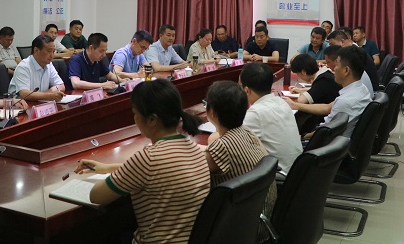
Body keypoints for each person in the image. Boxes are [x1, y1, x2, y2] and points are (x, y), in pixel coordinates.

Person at [74, 79, 209, 244]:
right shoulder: (195, 149)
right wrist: (108, 168)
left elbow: (96, 196)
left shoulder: (148, 158)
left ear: (152, 120)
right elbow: (157, 170)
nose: (134, 119)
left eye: (135, 113)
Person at [204, 80, 276, 243]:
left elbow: (192, 166)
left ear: (212, 112)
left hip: (242, 227)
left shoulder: (222, 148)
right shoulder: (247, 132)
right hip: (262, 218)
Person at [283, 46, 371, 138]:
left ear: (346, 70)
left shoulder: (344, 101)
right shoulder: (361, 89)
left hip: (330, 144)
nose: (333, 69)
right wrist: (295, 105)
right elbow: (328, 107)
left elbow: (324, 132)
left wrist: (302, 137)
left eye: (337, 65)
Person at [239, 63, 302, 173]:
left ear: (247, 90)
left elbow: (232, 140)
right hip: (296, 170)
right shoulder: (281, 102)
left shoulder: (256, 113)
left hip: (278, 175)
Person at [289, 52, 342, 134]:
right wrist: (300, 90)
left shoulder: (323, 79)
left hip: (325, 124)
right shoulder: (325, 74)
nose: (298, 77)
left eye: (298, 74)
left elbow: (301, 100)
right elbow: (318, 90)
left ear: (303, 72)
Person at [8, 35, 65, 101]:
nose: (52, 55)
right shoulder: (23, 67)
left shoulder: (49, 64)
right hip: (19, 104)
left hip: (39, 103)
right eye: (49, 51)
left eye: (53, 51)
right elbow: (24, 94)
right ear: (36, 50)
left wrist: (43, 95)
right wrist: (49, 96)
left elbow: (61, 86)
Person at [328, 29, 378, 96]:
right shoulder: (353, 49)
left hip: (366, 91)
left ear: (342, 41)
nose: (331, 48)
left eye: (332, 44)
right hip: (363, 89)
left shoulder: (353, 53)